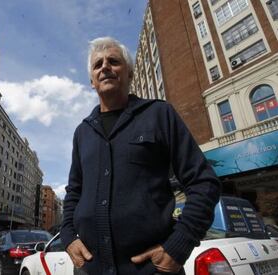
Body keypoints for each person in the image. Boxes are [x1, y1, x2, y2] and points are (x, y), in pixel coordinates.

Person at [60, 37, 221, 275]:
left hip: (153, 269)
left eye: (113, 61)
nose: (105, 67)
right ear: (92, 81)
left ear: (130, 74)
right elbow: (74, 192)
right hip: (89, 269)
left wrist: (179, 245)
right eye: (98, 65)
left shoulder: (159, 114)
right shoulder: (82, 132)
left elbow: (204, 182)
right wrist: (67, 237)